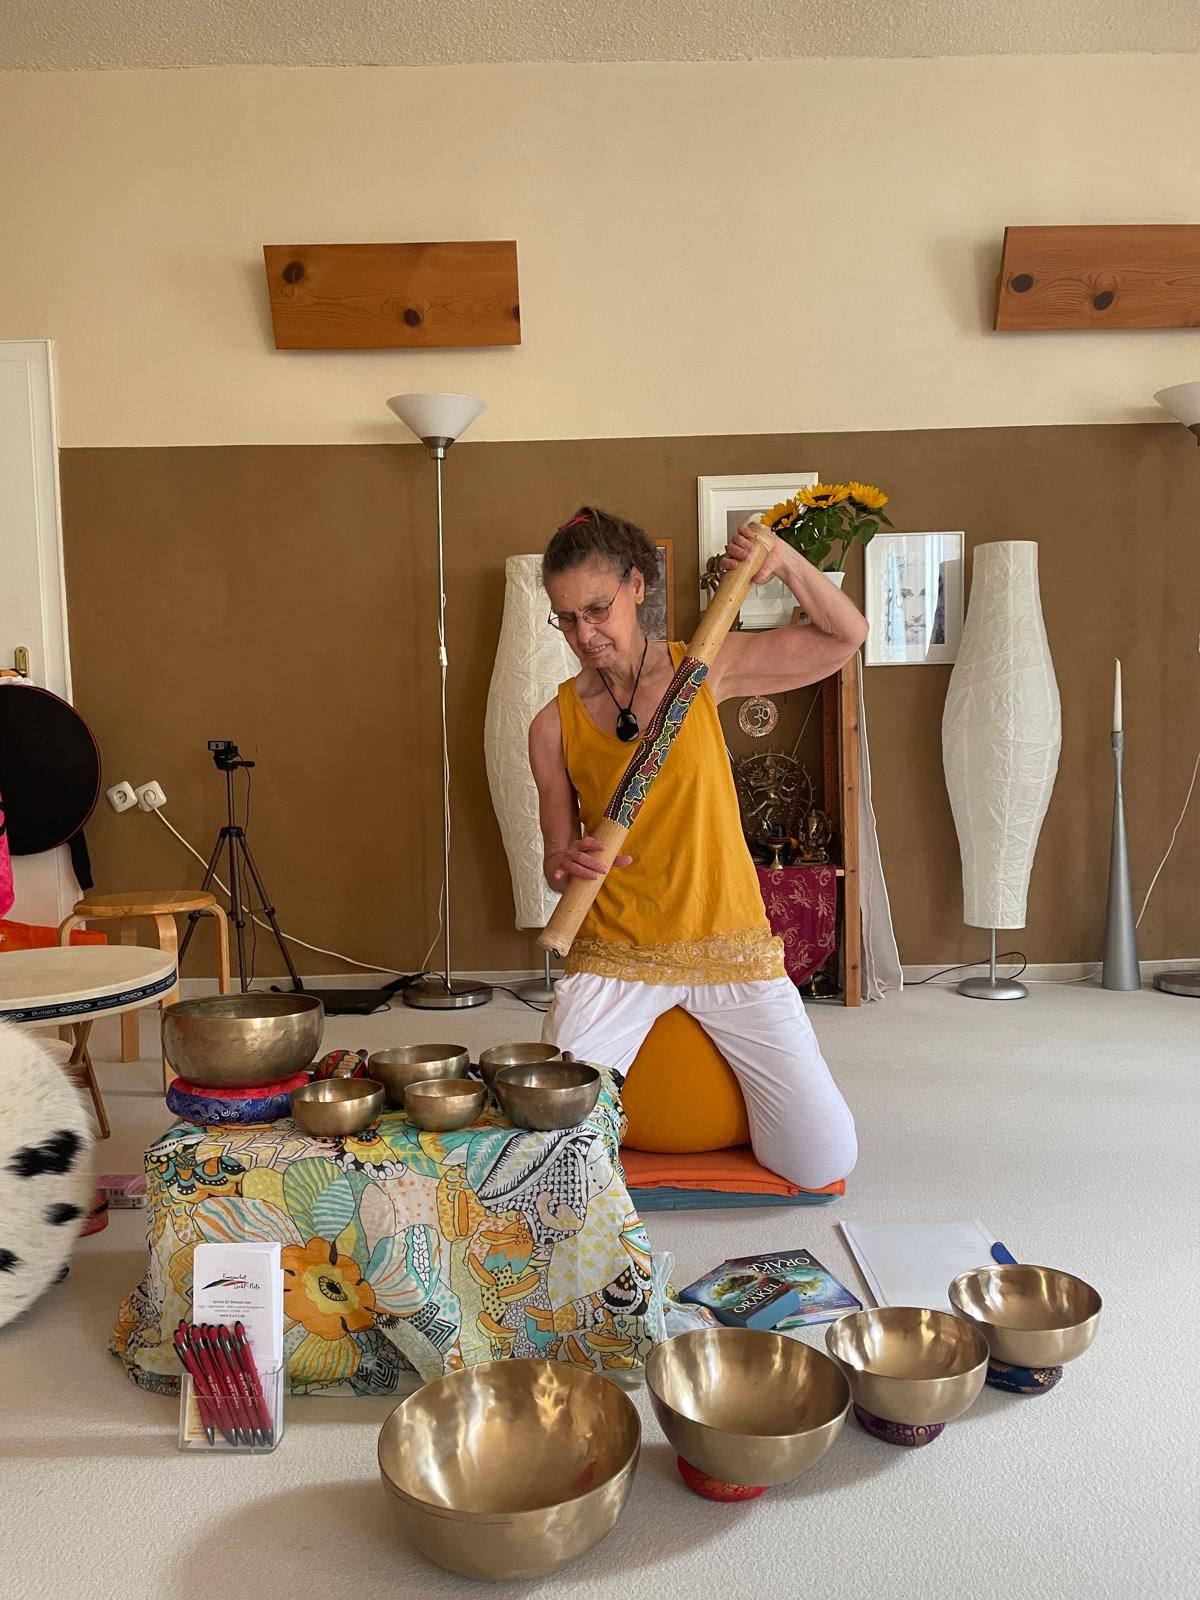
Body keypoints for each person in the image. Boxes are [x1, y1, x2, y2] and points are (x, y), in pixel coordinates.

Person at [528, 505, 866, 1189]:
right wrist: (567, 864)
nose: (584, 635)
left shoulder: (705, 668)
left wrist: (783, 561)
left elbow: (845, 636)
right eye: (566, 618)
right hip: (616, 953)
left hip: (728, 942)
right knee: (544, 1160)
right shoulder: (551, 724)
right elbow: (555, 857)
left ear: (636, 586)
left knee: (822, 1160)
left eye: (597, 610)